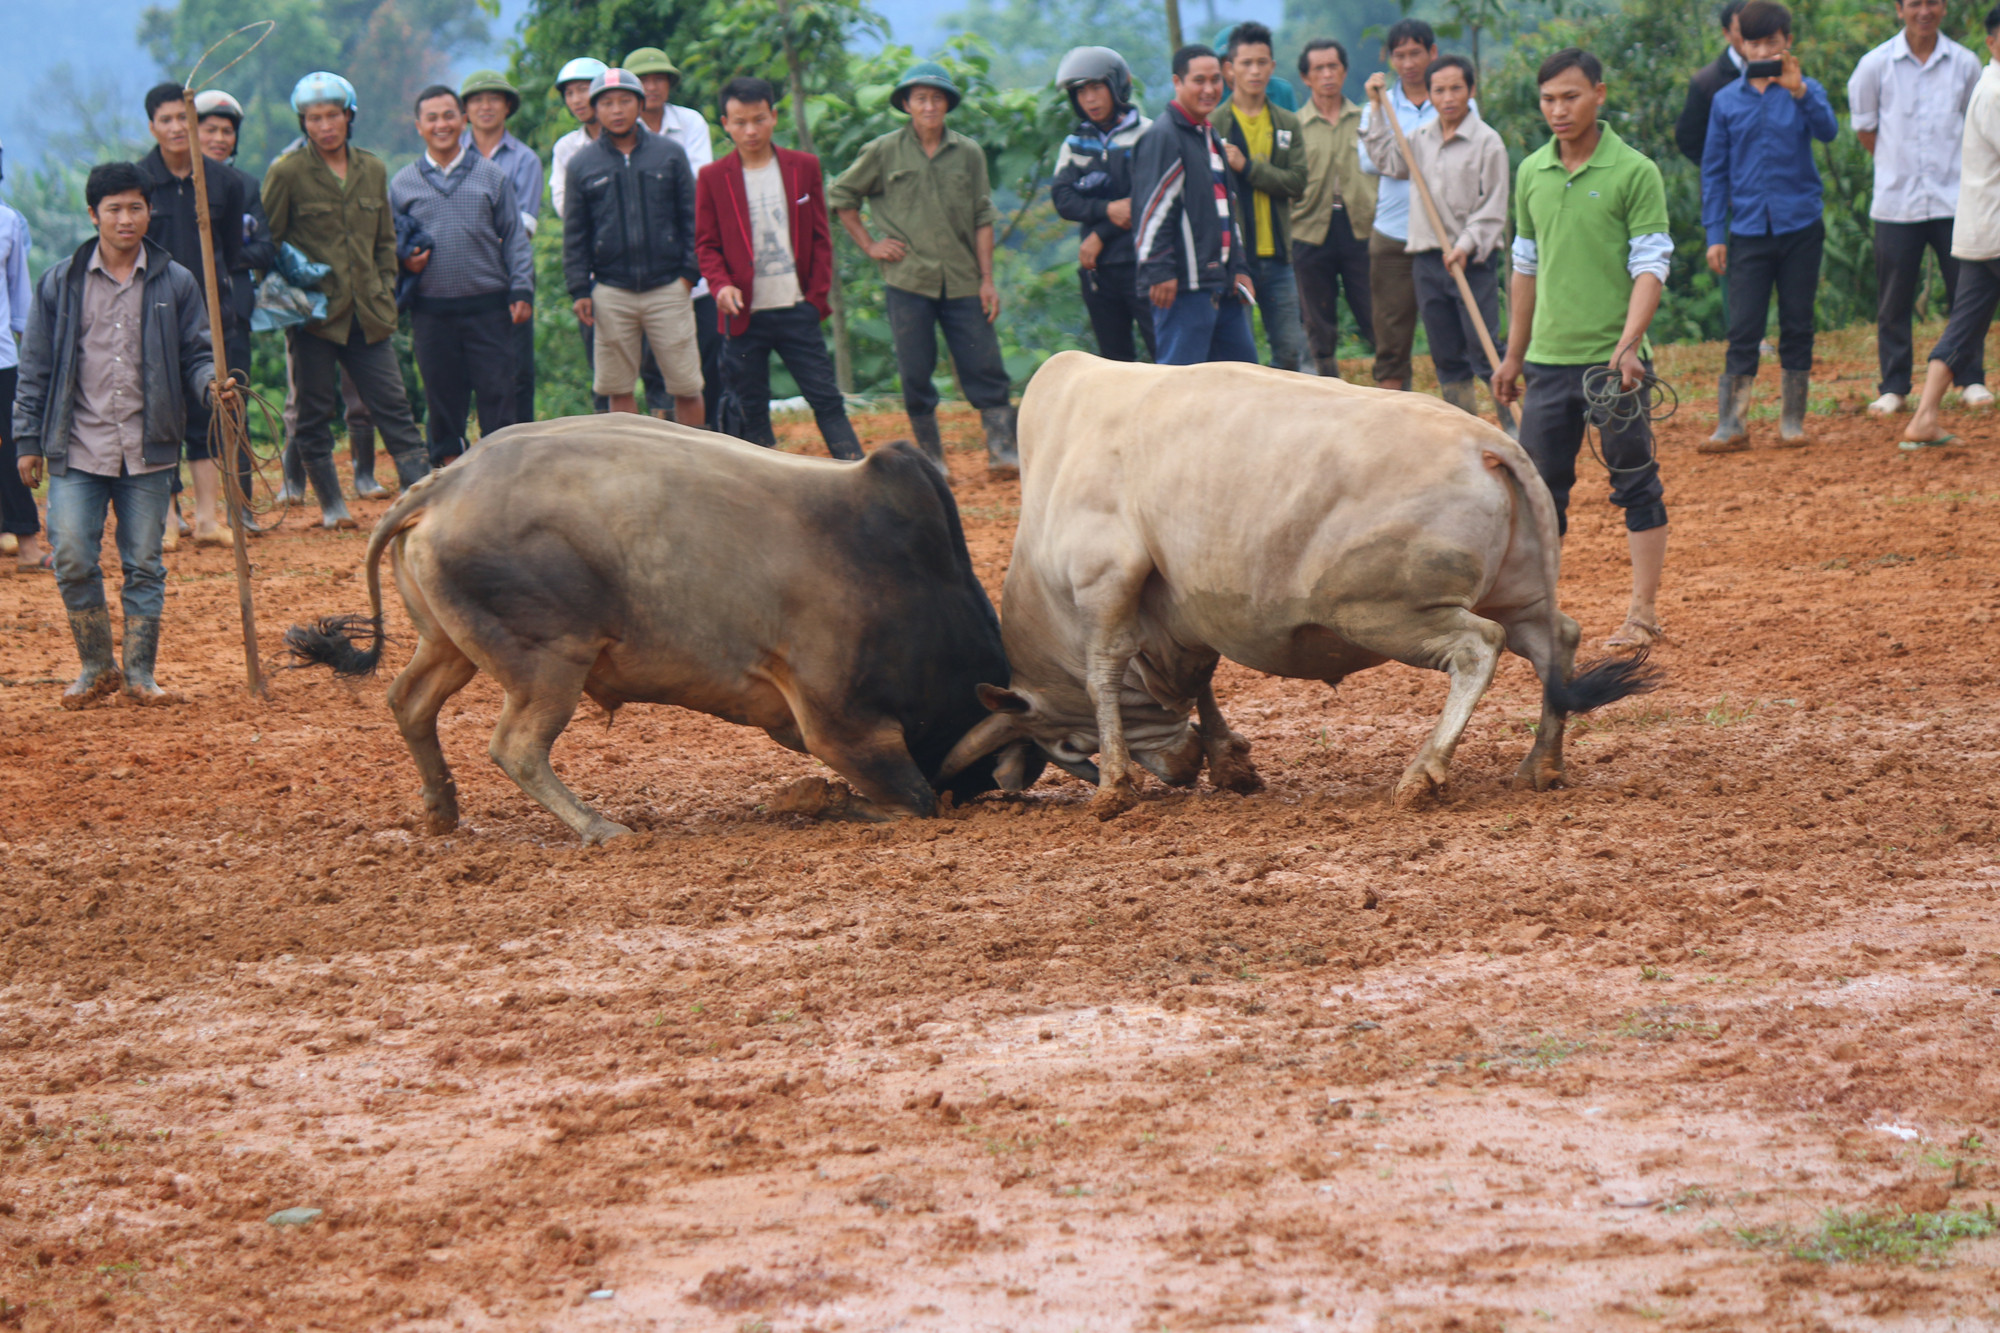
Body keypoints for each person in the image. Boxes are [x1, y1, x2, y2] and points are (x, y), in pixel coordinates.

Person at [12, 162, 240, 706]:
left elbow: (197, 352)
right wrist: (26, 441)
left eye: (135, 206)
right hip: (78, 447)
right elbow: (36, 366)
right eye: (113, 208)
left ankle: (140, 674)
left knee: (144, 562)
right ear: (93, 215)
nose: (125, 218)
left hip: (149, 447)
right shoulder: (61, 283)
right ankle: (96, 667)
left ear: (149, 211)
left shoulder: (176, 281)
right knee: (70, 554)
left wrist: (211, 384)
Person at [1492, 48, 1673, 652]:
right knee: (1541, 493)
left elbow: (1651, 265)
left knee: (1635, 481)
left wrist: (1628, 346)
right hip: (1546, 362)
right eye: (1548, 99)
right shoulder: (1531, 172)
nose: (1558, 110)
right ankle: (1540, 611)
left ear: (1598, 93)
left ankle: (1642, 611)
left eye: (1570, 97)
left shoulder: (1634, 171)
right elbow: (1525, 267)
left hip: (1611, 365)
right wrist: (1513, 357)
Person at [829, 62, 1018, 475]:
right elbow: (842, 196)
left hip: (964, 278)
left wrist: (987, 280)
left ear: (947, 103)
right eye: (920, 99)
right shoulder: (883, 151)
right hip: (908, 279)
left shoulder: (968, 153)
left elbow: (983, 217)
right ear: (906, 105)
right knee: (915, 369)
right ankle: (933, 458)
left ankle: (1003, 450)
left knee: (984, 365)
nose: (929, 106)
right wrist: (871, 244)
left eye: (936, 98)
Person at [263, 71, 432, 526]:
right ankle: (333, 508)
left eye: (333, 115)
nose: (325, 126)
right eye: (314, 118)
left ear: (348, 116)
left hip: (368, 313)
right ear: (304, 122)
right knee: (314, 411)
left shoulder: (372, 169)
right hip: (313, 317)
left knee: (393, 403)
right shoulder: (287, 173)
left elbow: (384, 240)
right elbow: (268, 242)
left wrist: (383, 285)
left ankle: (422, 498)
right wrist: (289, 300)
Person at [695, 76, 862, 460]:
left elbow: (821, 237)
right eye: (740, 122)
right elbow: (706, 245)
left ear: (773, 116)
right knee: (750, 406)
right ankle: (763, 487)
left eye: (758, 119)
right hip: (743, 315)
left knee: (825, 397)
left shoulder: (803, 167)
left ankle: (854, 467)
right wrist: (720, 286)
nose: (750, 130)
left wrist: (815, 300)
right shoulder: (712, 178)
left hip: (795, 307)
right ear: (725, 123)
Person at [1700, 0, 1837, 451]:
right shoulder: (1725, 101)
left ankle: (1792, 420)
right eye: (1754, 42)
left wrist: (1800, 91)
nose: (1762, 50)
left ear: (1786, 43)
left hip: (1800, 226)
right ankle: (1731, 423)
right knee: (1744, 327)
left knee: (1797, 322)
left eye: (1771, 42)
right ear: (1741, 44)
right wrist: (1715, 234)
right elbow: (1714, 172)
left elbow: (1829, 130)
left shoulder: (1804, 90)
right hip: (1749, 232)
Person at [1850, 0, 1988, 416]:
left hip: (1954, 199)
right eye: (1914, 3)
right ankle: (1894, 385)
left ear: (1944, 8)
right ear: (1899, 9)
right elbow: (1866, 129)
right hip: (1896, 202)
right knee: (1893, 300)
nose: (1923, 11)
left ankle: (1971, 379)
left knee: (1967, 296)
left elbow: (1976, 125)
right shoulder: (1875, 66)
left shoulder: (1966, 65)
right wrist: (1898, 164)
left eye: (1932, 2)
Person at [1363, 55, 1510, 425]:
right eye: (1439, 90)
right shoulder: (1420, 138)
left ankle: (1512, 422)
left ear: (1471, 91)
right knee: (1445, 352)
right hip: (1427, 260)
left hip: (1471, 261)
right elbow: (1385, 159)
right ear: (1429, 94)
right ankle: (1466, 426)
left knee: (1484, 348)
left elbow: (1492, 207)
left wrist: (1465, 245)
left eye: (1456, 88)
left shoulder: (1488, 143)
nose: (1448, 98)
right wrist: (1377, 107)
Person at [392, 85, 533, 468]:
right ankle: (448, 483)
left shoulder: (492, 176)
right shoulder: (402, 184)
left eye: (449, 116)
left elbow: (515, 239)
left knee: (499, 396)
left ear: (463, 120)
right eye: (432, 118)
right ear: (418, 126)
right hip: (431, 311)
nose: (442, 125)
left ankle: (503, 477)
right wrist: (404, 263)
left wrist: (521, 287)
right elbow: (389, 243)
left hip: (489, 307)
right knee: (442, 401)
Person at [137, 81, 248, 550]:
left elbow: (235, 254)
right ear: (153, 127)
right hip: (151, 312)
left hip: (210, 317)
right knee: (157, 415)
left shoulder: (224, 181)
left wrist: (234, 309)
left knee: (208, 411)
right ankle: (166, 520)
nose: (177, 127)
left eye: (184, 118)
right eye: (166, 120)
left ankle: (207, 519)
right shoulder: (139, 179)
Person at [562, 68, 704, 425]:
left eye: (625, 100)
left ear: (640, 104)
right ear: (596, 109)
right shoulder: (581, 164)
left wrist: (688, 274)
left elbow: (692, 218)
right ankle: (631, 469)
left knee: (686, 385)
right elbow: (575, 232)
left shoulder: (669, 153)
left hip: (668, 286)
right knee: (618, 387)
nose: (617, 110)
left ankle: (693, 463)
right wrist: (580, 287)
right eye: (607, 103)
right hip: (612, 290)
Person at [1901, 5, 2000, 449]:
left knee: (1964, 327)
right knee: (1964, 325)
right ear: (1993, 42)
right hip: (1995, 231)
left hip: (1985, 232)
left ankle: (1924, 416)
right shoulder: (1996, 91)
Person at [1132, 45, 1256, 367]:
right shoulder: (1165, 135)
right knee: (1178, 388)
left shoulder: (1210, 135)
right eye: (1198, 80)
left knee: (1241, 381)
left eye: (1216, 80)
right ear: (1177, 82)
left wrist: (1239, 268)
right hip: (1183, 289)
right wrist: (1158, 270)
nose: (1209, 89)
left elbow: (1226, 208)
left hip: (1221, 286)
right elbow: (1152, 212)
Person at [192, 89, 278, 530]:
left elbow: (265, 246)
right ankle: (178, 513)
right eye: (211, 130)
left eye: (227, 131)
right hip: (181, 311)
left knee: (235, 405)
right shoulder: (175, 184)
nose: (220, 138)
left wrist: (224, 260)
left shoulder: (244, 185)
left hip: (231, 311)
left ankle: (241, 505)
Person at [624, 47, 721, 425]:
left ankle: (712, 432)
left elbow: (697, 187)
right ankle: (663, 437)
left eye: (659, 79)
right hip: (643, 269)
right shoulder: (620, 131)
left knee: (708, 352)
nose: (652, 87)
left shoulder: (691, 122)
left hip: (693, 257)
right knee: (653, 364)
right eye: (644, 80)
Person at [1210, 22, 1306, 372]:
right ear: (1229, 69)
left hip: (1279, 256)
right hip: (1234, 260)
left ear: (1272, 67)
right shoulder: (1214, 125)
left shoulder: (1286, 123)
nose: (1254, 71)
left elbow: (1297, 182)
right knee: (1237, 357)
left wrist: (1248, 167)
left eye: (1262, 62)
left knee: (1290, 352)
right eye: (1246, 62)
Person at [1051, 46, 1156, 363]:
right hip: (1099, 270)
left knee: (1164, 352)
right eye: (1081, 92)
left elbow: (1148, 200)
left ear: (1116, 86)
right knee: (1114, 360)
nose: (1089, 99)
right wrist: (1107, 211)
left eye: (1096, 88)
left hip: (1147, 265)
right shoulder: (1075, 143)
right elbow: (1063, 198)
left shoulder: (1149, 135)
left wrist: (1099, 233)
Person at [1357, 19, 1443, 391]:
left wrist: (1403, 158)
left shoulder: (1453, 98)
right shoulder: (1378, 106)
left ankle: (1472, 416)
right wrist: (1378, 110)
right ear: (1389, 59)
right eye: (1400, 55)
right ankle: (1391, 425)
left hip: (1443, 234)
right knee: (1391, 342)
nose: (1408, 63)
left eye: (1416, 53)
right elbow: (1368, 161)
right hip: (1393, 234)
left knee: (1452, 335)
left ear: (1432, 53)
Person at [459, 70, 544, 425]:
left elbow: (521, 227)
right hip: (459, 279)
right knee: (459, 370)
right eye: (477, 100)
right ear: (465, 110)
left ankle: (520, 445)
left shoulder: (525, 160)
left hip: (511, 276)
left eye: (494, 99)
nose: (486, 107)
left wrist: (471, 238)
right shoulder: (451, 156)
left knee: (516, 368)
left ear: (508, 106)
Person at [1291, 39, 1375, 381]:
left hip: (1362, 227)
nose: (1327, 75)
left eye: (1333, 67)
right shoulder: (1294, 125)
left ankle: (1395, 388)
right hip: (1309, 229)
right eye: (1318, 69)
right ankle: (1324, 385)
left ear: (1344, 71)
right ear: (1305, 77)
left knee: (1376, 313)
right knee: (1317, 320)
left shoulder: (1367, 119)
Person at [549, 56, 629, 412]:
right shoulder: (567, 149)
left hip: (648, 270)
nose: (577, 99)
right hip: (597, 273)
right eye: (570, 93)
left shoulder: (637, 140)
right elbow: (567, 208)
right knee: (602, 366)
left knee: (660, 368)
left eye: (584, 89)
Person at [0, 140, 44, 572]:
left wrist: (31, 362)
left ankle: (27, 543)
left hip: (1, 359)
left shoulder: (8, 221)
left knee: (10, 447)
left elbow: (19, 301)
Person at [1675, 0, 1750, 165]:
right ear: (1726, 33)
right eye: (1742, 30)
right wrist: (1723, 169)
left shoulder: (1781, 72)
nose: (1750, 35)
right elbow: (1688, 139)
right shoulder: (1706, 82)